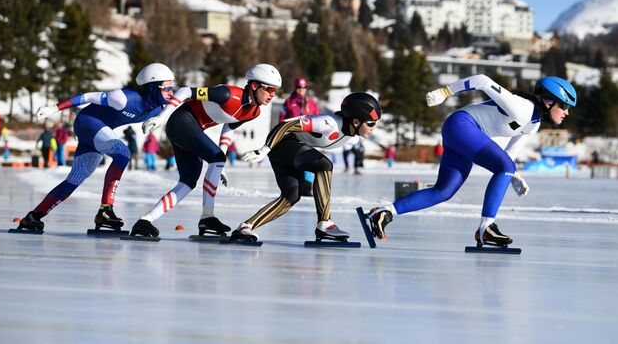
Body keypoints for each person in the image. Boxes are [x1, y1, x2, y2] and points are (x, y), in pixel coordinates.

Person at [368, 75, 577, 248]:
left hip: (463, 134)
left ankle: (384, 212)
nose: (567, 112)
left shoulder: (533, 123)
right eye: (565, 105)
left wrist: (512, 175)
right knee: (504, 167)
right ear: (548, 100)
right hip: (462, 125)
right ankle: (487, 228)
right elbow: (483, 81)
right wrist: (445, 92)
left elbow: (509, 155)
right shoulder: (521, 107)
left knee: (444, 191)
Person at [15, 63, 176, 233]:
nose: (171, 92)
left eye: (173, 87)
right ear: (152, 88)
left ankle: (33, 217)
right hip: (87, 122)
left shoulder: (160, 109)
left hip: (99, 132)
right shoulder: (123, 98)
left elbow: (182, 100)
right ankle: (106, 209)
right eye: (167, 88)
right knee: (123, 153)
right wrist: (54, 108)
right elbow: (87, 97)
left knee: (75, 178)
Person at [128, 63, 282, 238]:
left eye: (275, 91)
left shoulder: (254, 111)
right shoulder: (228, 94)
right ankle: (208, 216)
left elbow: (229, 127)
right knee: (215, 159)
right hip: (182, 121)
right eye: (269, 89)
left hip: (192, 129)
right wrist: (161, 117)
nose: (272, 94)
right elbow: (185, 91)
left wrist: (221, 159)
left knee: (188, 181)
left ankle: (145, 221)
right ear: (254, 85)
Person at [230, 92, 381, 243]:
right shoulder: (329, 123)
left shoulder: (352, 136)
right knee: (325, 165)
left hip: (286, 150)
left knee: (291, 196)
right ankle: (325, 223)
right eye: (371, 123)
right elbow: (285, 124)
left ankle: (245, 227)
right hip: (283, 142)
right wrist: (264, 149)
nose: (373, 128)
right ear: (355, 121)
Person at [280, 77, 320, 196]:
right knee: (294, 162)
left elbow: (318, 120)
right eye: (298, 87)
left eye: (303, 87)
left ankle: (307, 187)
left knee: (309, 161)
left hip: (309, 138)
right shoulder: (288, 102)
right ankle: (294, 186)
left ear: (306, 88)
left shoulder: (312, 104)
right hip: (293, 137)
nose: (300, 90)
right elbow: (282, 120)